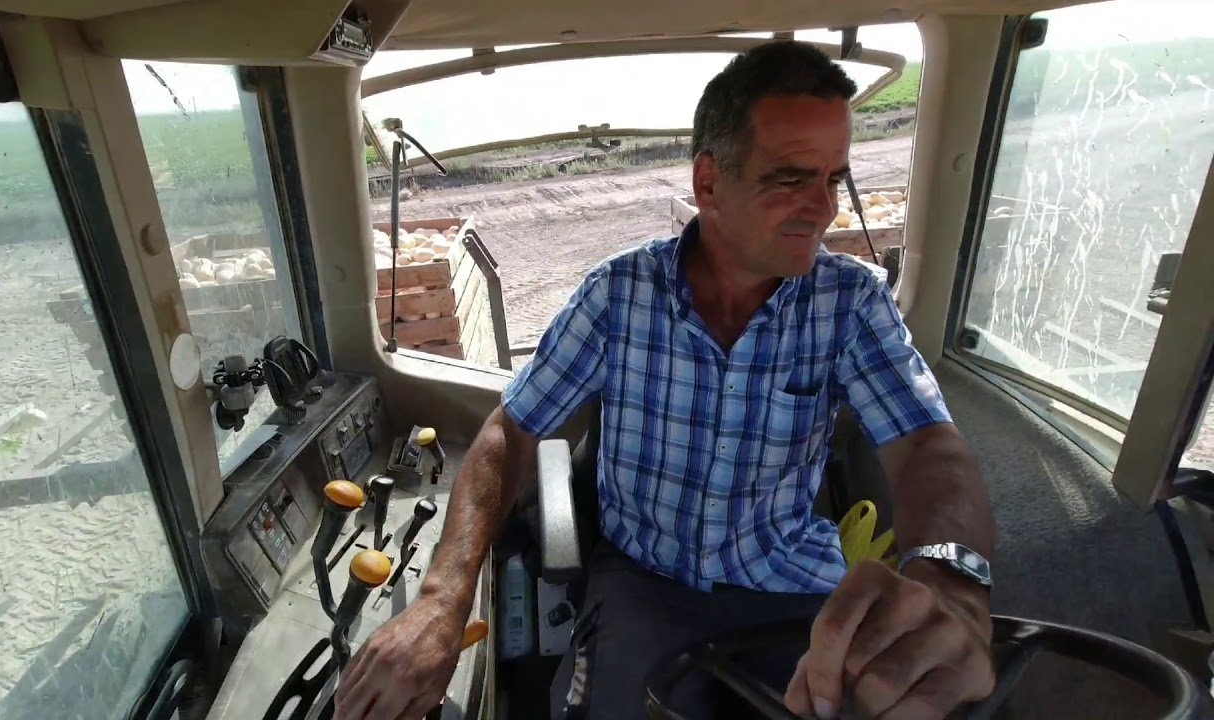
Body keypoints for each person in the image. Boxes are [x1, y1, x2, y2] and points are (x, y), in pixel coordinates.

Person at [335, 40, 998, 720]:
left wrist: (950, 579)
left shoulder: (850, 302)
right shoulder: (618, 295)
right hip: (643, 588)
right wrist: (444, 600)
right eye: (790, 178)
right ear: (708, 182)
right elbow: (512, 430)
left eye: (833, 178)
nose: (824, 208)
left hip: (793, 584)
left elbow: (926, 447)